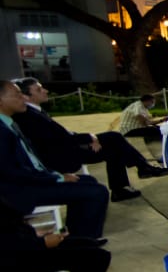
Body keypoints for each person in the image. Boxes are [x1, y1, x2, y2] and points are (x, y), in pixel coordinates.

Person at [13, 77, 168, 202]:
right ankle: (140, 170)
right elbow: (59, 138)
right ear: (26, 96)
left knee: (114, 146)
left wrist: (87, 137)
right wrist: (89, 137)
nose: (45, 91)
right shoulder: (29, 117)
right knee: (114, 138)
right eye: (39, 89)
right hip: (63, 156)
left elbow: (61, 134)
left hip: (66, 148)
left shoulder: (34, 113)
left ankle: (124, 186)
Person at [0, 80, 110, 238]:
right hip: (19, 190)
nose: (23, 98)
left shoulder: (9, 123)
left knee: (88, 181)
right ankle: (82, 243)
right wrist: (57, 177)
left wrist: (54, 175)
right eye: (17, 95)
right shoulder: (2, 131)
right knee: (97, 192)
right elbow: (12, 172)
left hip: (32, 181)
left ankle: (77, 238)